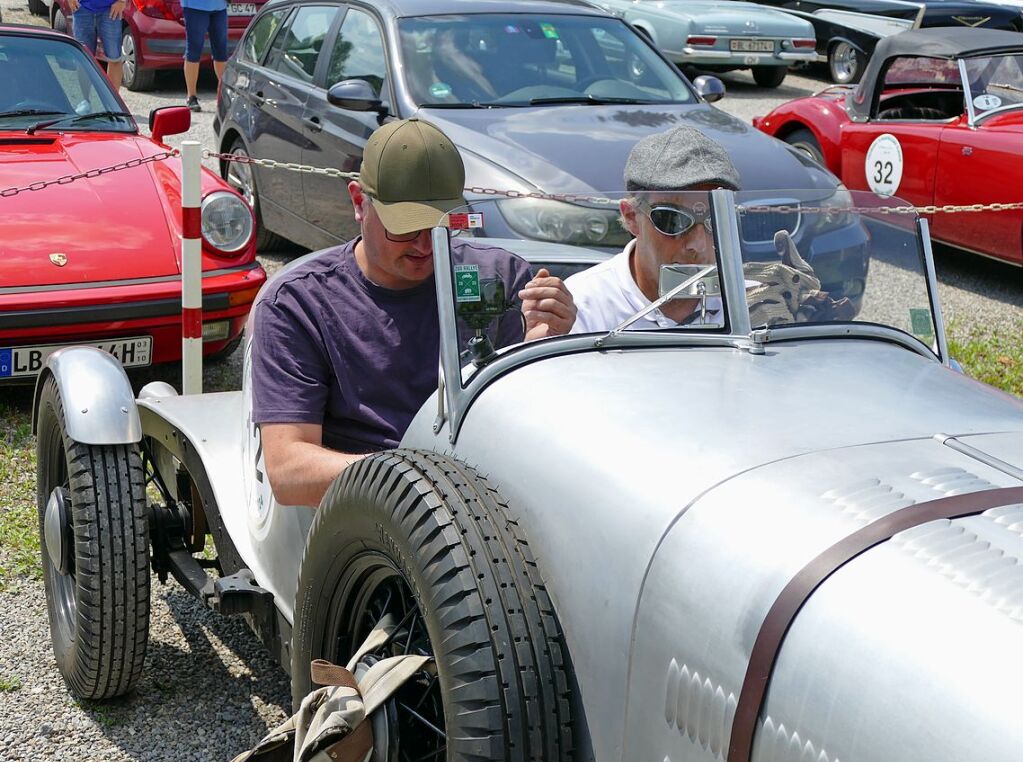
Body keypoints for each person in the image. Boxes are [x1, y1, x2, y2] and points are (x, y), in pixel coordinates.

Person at [250, 118, 577, 508]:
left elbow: (535, 424)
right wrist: (426, 478)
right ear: (358, 203)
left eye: (444, 225)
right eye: (405, 228)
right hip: (367, 518)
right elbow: (289, 471)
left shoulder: (499, 277)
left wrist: (547, 346)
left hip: (490, 505)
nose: (425, 244)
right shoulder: (299, 305)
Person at [565, 125, 740, 333]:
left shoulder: (752, 301)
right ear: (631, 217)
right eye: (673, 219)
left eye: (717, 220)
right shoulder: (583, 306)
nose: (698, 244)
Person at [181, 0, 228, 112]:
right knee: (194, 50)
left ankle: (225, 95)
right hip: (195, 6)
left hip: (219, 6)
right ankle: (191, 96)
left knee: (221, 52)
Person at [67, 0, 126, 91]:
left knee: (114, 58)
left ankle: (113, 103)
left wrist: (122, 2)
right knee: (84, 59)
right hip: (82, 9)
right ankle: (86, 102)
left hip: (110, 9)